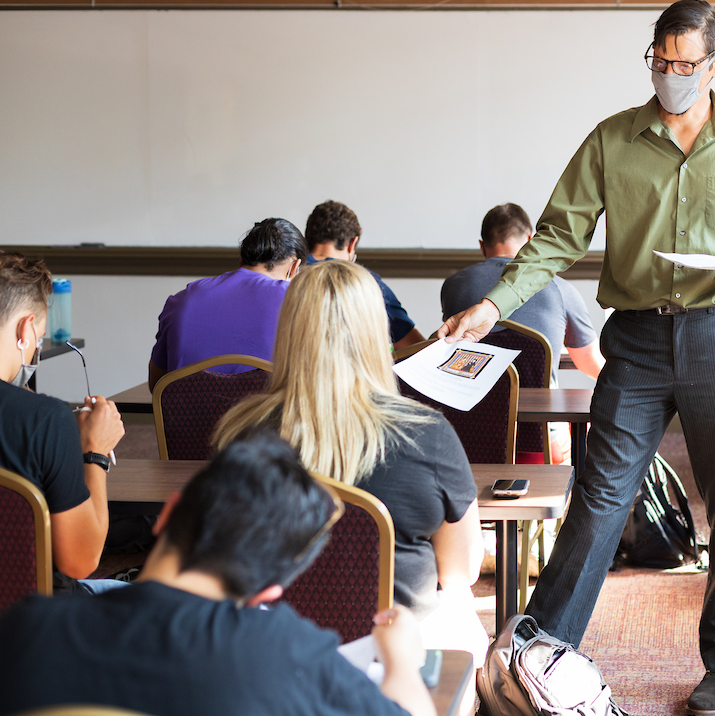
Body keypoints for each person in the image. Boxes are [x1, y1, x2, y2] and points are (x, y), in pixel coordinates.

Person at [440, 0, 715, 715]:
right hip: (634, 340)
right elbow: (554, 238)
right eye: (660, 62)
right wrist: (491, 306)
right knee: (599, 497)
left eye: (684, 64)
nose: (670, 75)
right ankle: (537, 649)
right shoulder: (612, 139)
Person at [0, 431, 435, 716]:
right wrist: (401, 662)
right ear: (272, 590)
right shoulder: (287, 654)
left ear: (166, 515)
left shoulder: (26, 628)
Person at [213, 260, 488, 668]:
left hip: (276, 645)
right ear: (376, 334)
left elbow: (227, 553)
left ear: (288, 331)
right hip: (395, 651)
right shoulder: (427, 433)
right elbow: (460, 570)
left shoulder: (239, 431)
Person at [441, 202, 604, 464]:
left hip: (469, 439)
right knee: (581, 431)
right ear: (531, 241)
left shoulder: (453, 286)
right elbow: (590, 364)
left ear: (482, 246)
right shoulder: (561, 289)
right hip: (540, 445)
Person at [0, 252, 125, 587]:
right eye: (38, 341)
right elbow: (79, 562)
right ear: (25, 330)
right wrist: (95, 453)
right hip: (30, 622)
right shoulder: (45, 420)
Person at [148, 217, 306, 390]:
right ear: (294, 267)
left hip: (193, 416)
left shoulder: (181, 301)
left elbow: (158, 385)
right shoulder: (296, 300)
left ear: (241, 261)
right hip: (266, 417)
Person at [305, 199, 425, 349]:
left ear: (307, 241)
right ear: (352, 244)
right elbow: (413, 346)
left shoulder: (288, 273)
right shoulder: (366, 281)